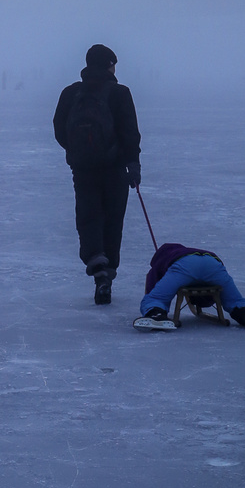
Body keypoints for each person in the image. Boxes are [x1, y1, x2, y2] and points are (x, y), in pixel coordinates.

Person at [53, 44, 141, 305]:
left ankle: (97, 266)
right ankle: (108, 273)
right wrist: (132, 164)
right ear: (109, 65)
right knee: (113, 219)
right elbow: (129, 132)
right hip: (114, 168)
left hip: (83, 169)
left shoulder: (71, 93)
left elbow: (59, 128)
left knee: (89, 216)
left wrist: (77, 152)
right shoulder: (119, 93)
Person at [133, 242, 245, 330]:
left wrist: (153, 303)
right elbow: (209, 296)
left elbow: (153, 285)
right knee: (235, 299)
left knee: (156, 298)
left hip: (185, 265)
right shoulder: (185, 250)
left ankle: (155, 315)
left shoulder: (161, 258)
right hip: (212, 263)